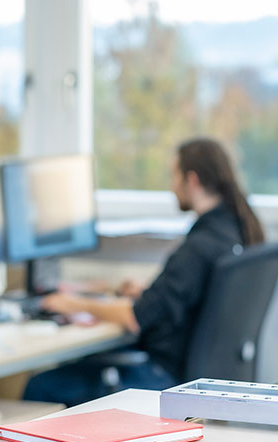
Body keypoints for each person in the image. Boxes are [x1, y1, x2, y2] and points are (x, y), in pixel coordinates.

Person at [24, 137, 265, 406]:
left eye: (174, 176)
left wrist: (70, 303)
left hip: (163, 377)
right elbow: (189, 296)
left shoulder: (199, 247)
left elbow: (134, 317)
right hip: (189, 374)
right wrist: (149, 293)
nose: (172, 186)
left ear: (192, 180)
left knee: (40, 387)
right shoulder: (235, 231)